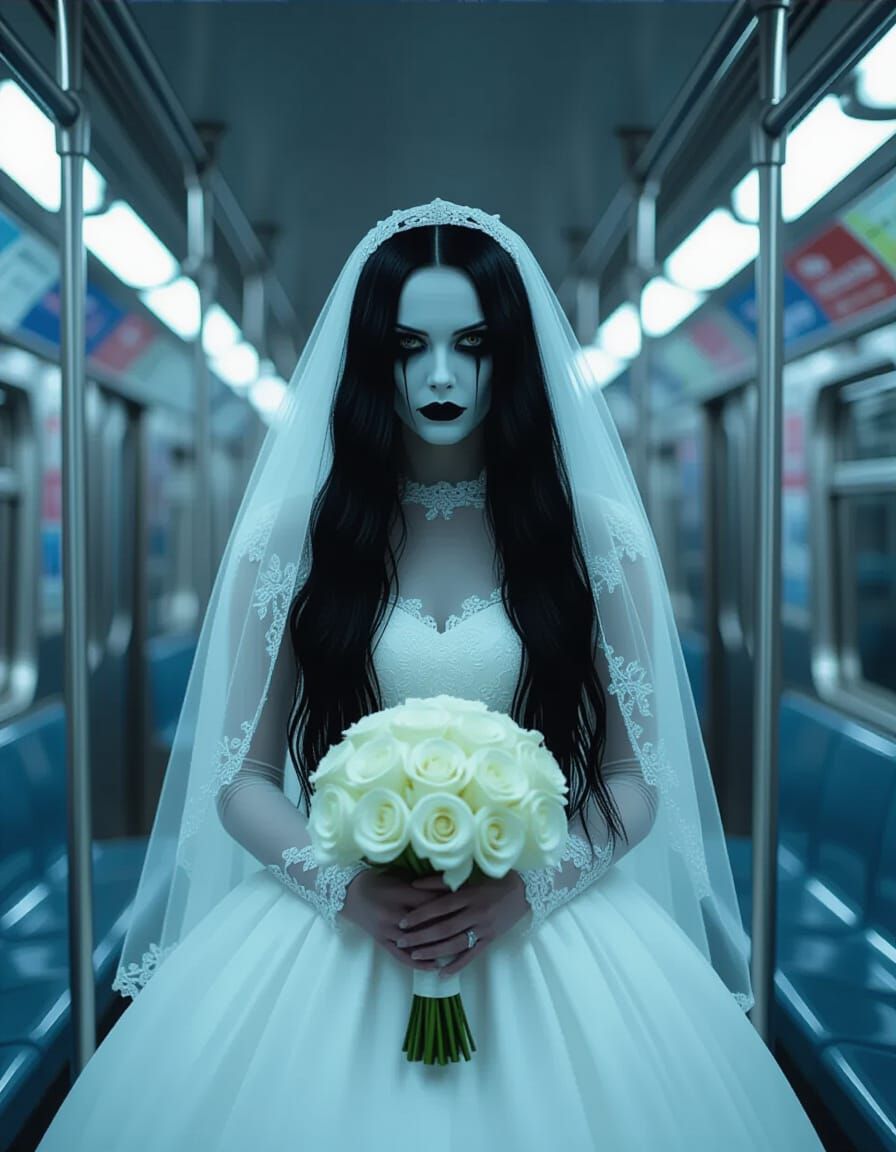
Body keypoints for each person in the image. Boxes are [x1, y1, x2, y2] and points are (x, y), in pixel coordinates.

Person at [36, 199, 826, 1151]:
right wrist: (347, 888)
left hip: (543, 909)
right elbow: (239, 782)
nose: (442, 376)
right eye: (410, 346)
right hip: (339, 917)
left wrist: (525, 890)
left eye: (475, 345)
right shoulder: (291, 540)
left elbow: (632, 779)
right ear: (374, 358)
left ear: (514, 358)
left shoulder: (598, 542)